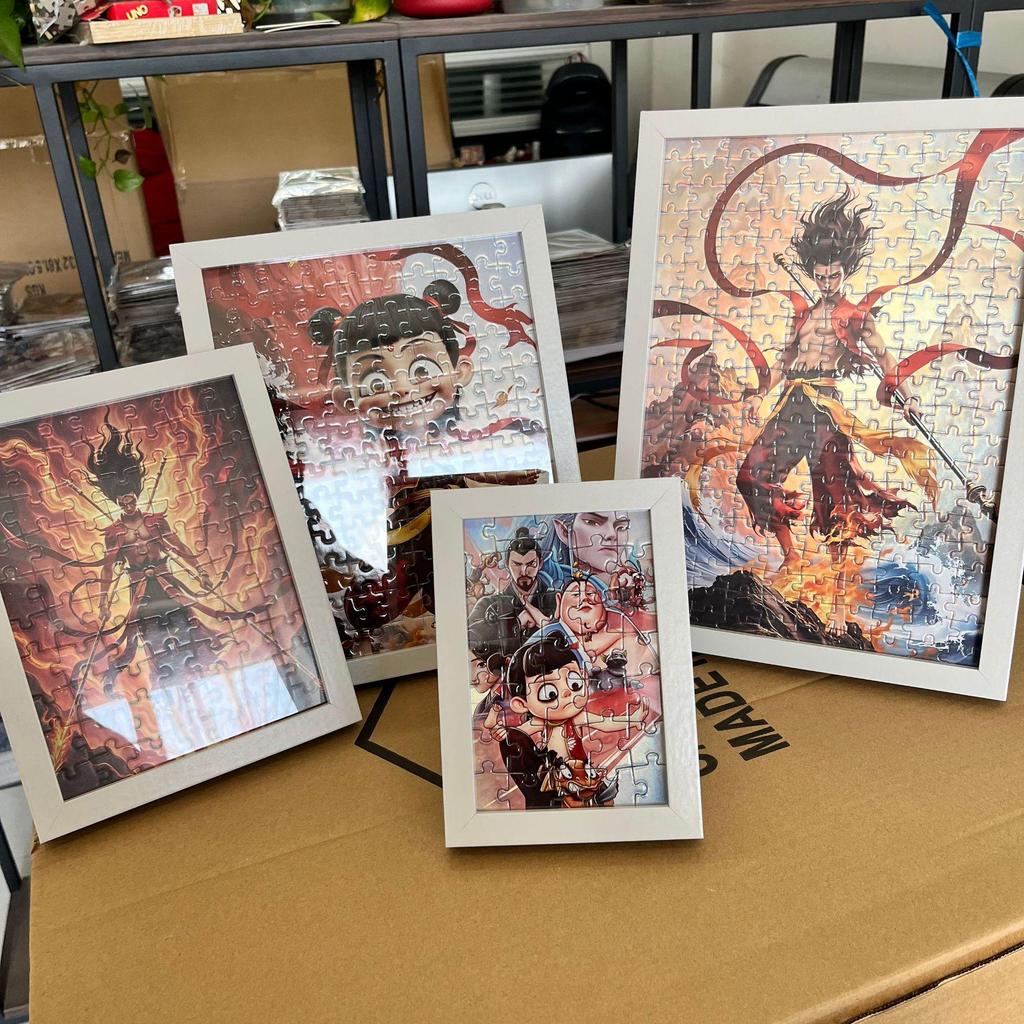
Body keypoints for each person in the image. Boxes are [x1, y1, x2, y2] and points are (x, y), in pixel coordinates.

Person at [735, 187, 933, 635]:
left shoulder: (856, 316)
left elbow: (885, 357)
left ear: (845, 271)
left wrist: (906, 394)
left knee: (840, 508)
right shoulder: (804, 316)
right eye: (821, 276)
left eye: (834, 275)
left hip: (826, 411)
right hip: (793, 404)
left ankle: (841, 608)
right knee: (750, 475)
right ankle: (791, 554)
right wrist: (760, 393)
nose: (826, 282)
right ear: (813, 272)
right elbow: (785, 360)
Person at [489, 634, 649, 808]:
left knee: (603, 799)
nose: (566, 693)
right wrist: (504, 733)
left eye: (574, 682)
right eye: (549, 692)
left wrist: (632, 719)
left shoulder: (578, 718)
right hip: (558, 775)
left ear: (583, 678)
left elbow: (605, 722)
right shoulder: (541, 722)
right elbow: (517, 734)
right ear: (521, 704)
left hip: (582, 771)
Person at [466, 526, 557, 661]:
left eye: (530, 564)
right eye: (517, 564)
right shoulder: (487, 604)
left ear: (540, 564)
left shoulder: (557, 600)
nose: (524, 571)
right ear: (507, 564)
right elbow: (467, 640)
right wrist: (515, 624)